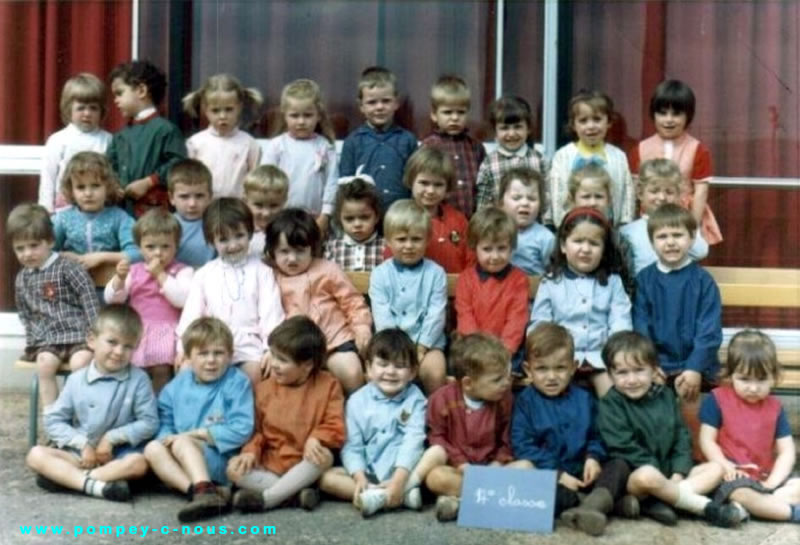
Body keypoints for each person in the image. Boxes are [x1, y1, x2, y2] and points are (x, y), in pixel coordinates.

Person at [597, 331, 741, 528]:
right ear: (610, 375)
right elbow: (623, 447)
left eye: (639, 370)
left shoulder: (665, 396)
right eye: (622, 373)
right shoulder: (610, 405)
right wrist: (661, 474)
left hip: (670, 475)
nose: (631, 379)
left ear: (654, 370)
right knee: (647, 475)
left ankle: (666, 500)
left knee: (716, 468)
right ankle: (705, 508)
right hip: (636, 477)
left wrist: (679, 472)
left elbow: (681, 436)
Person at [26, 304, 158, 502]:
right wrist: (82, 444)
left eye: (128, 346)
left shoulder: (139, 380)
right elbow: (54, 421)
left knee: (139, 463)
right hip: (81, 454)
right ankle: (98, 486)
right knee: (35, 455)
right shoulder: (76, 380)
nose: (119, 351)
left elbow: (149, 422)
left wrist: (112, 438)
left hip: (117, 456)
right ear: (92, 340)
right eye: (112, 342)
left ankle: (71, 480)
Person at [512, 323, 629, 536]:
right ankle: (606, 504)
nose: (551, 377)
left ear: (573, 368)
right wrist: (557, 474)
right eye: (542, 369)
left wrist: (593, 457)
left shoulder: (584, 398)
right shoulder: (525, 403)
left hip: (585, 472)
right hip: (553, 477)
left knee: (619, 465)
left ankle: (593, 506)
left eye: (560, 368)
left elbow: (597, 434)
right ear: (528, 370)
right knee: (548, 492)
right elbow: (523, 446)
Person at [227, 316, 345, 513]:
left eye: (282, 360)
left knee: (325, 457)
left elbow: (335, 424)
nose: (274, 364)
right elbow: (256, 431)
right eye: (273, 355)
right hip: (272, 461)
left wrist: (317, 437)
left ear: (307, 365)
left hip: (306, 461)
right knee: (233, 469)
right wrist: (249, 452)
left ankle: (267, 499)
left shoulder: (328, 385)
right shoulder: (264, 389)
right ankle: (295, 494)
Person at [144, 317, 254, 523]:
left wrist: (199, 434)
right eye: (202, 354)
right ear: (188, 358)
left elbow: (243, 427)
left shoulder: (237, 382)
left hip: (219, 457)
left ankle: (204, 488)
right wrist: (167, 438)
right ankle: (201, 493)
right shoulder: (178, 384)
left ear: (230, 356)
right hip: (180, 454)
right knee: (152, 448)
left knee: (183, 442)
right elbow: (164, 418)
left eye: (218, 353)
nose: (211, 360)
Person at [633, 203, 721, 457]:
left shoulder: (703, 282)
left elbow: (709, 331)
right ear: (651, 242)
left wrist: (694, 368)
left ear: (692, 238)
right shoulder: (645, 280)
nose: (670, 242)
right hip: (657, 366)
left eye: (677, 235)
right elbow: (641, 326)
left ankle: (693, 464)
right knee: (651, 409)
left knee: (691, 410)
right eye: (662, 236)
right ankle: (657, 462)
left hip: (695, 366)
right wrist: (649, 365)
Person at [320, 329, 440, 516]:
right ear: (368, 368)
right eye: (382, 365)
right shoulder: (357, 401)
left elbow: (413, 441)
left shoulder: (416, 399)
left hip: (405, 471)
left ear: (413, 372)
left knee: (436, 454)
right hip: (370, 473)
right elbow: (352, 445)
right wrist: (359, 476)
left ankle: (388, 494)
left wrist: (399, 480)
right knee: (326, 478)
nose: (390, 372)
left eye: (400, 366)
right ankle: (398, 496)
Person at [424, 333, 532, 522]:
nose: (506, 383)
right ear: (468, 383)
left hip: (492, 469)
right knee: (435, 477)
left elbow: (507, 439)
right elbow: (437, 437)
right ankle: (491, 499)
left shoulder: (505, 400)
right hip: (459, 470)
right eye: (497, 379)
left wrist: (497, 463)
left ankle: (463, 501)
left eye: (507, 375)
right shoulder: (441, 399)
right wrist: (460, 463)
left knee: (526, 467)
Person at [176, 198, 285, 385]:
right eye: (223, 239)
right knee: (186, 373)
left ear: (250, 234)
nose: (233, 245)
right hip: (210, 345)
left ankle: (244, 414)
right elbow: (191, 315)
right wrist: (183, 348)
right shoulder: (204, 274)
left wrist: (270, 348)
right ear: (211, 241)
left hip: (248, 345)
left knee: (254, 375)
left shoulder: (262, 272)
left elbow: (271, 313)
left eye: (239, 236)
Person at [529, 207, 631, 396]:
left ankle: (610, 425)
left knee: (612, 395)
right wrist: (549, 351)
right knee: (556, 393)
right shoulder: (551, 282)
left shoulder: (613, 282)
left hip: (600, 359)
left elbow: (620, 322)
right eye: (578, 241)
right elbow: (540, 324)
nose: (585, 249)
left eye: (594, 243)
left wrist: (616, 355)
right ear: (563, 245)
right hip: (560, 360)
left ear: (604, 250)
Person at [699, 330, 800, 523]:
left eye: (761, 379)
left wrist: (773, 482)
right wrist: (725, 466)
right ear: (730, 375)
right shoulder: (718, 399)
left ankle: (756, 508)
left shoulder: (775, 407)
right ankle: (790, 513)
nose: (753, 388)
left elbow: (787, 451)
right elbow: (707, 440)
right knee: (740, 493)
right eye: (745, 379)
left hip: (765, 477)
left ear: (773, 376)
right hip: (732, 476)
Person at [265, 208, 370, 394]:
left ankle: (354, 416)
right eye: (284, 251)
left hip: (334, 342)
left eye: (299, 251)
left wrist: (362, 327)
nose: (292, 259)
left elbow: (352, 301)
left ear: (312, 248)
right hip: (294, 350)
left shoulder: (327, 270)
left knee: (352, 372)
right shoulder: (270, 277)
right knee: (280, 378)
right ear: (272, 252)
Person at [8, 203, 97, 405]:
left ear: (49, 241)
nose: (27, 253)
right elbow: (26, 314)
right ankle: (54, 418)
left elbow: (88, 297)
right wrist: (33, 342)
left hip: (78, 334)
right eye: (20, 248)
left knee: (81, 363)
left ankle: (81, 416)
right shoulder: (22, 278)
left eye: (33, 245)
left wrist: (95, 333)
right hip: (48, 339)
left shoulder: (66, 267)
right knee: (44, 364)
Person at [104, 209, 193, 393]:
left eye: (165, 246)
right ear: (140, 247)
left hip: (168, 330)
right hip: (138, 329)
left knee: (161, 369)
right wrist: (119, 279)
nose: (158, 253)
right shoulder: (135, 270)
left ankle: (159, 410)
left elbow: (182, 300)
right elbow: (112, 299)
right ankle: (136, 409)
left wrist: (160, 274)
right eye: (151, 247)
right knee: (134, 372)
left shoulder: (182, 271)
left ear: (176, 246)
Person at [629, 79, 722, 244]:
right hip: (649, 219)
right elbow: (635, 190)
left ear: (688, 116)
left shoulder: (698, 149)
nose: (669, 120)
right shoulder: (641, 149)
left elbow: (701, 192)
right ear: (653, 114)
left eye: (676, 114)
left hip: (684, 218)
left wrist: (691, 226)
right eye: (663, 113)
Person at [369, 200, 447, 394]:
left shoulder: (436, 273)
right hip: (391, 342)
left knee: (435, 372)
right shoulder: (380, 274)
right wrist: (398, 350)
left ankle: (432, 418)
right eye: (401, 239)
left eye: (416, 239)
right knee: (383, 369)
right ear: (388, 240)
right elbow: (382, 315)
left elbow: (436, 313)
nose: (409, 246)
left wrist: (421, 347)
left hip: (427, 343)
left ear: (428, 239)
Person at [107, 60, 186, 216]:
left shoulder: (165, 130)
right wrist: (114, 187)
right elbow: (109, 166)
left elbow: (178, 163)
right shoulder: (120, 136)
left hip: (155, 211)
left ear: (141, 90)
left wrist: (148, 182)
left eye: (120, 93)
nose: (115, 100)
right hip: (123, 213)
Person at [455, 206, 529, 372]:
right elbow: (465, 317)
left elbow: (517, 319)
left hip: (507, 350)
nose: (495, 257)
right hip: (471, 349)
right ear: (475, 248)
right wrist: (478, 351)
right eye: (487, 249)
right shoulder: (466, 279)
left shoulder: (519, 280)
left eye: (501, 248)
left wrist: (504, 352)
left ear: (511, 247)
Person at [261, 78, 338, 235]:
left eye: (308, 115)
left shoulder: (325, 147)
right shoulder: (277, 146)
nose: (301, 121)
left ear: (319, 116)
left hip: (315, 218)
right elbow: (265, 181)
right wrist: (269, 212)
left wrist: (325, 215)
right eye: (295, 116)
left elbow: (332, 183)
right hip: (281, 217)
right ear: (285, 115)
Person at [548, 90, 634, 227]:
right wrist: (563, 224)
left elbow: (627, 194)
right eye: (583, 121)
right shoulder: (563, 156)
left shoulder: (618, 156)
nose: (591, 126)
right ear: (573, 125)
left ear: (609, 122)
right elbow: (556, 194)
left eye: (597, 119)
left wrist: (624, 223)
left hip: (610, 227)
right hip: (574, 227)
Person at [339, 66, 418, 212]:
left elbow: (416, 181)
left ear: (396, 103)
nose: (380, 107)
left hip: (400, 215)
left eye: (386, 101)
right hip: (366, 216)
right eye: (372, 102)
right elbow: (345, 185)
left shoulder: (408, 140)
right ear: (361, 106)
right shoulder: (353, 142)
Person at [53, 152, 140, 273]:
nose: (88, 193)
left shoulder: (119, 218)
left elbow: (138, 253)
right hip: (70, 286)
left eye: (95, 186)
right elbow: (46, 251)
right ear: (71, 190)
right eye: (81, 187)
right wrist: (62, 257)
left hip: (109, 284)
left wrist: (101, 257)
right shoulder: (62, 219)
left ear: (108, 187)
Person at [620, 158, 708, 275]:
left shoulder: (683, 226)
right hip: (643, 291)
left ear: (678, 195)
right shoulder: (628, 232)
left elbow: (701, 251)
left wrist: (685, 227)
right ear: (640, 193)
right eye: (654, 191)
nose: (662, 197)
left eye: (669, 192)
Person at [40, 73, 111, 213]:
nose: (87, 113)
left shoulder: (107, 140)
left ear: (102, 111)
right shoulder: (59, 140)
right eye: (81, 108)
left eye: (93, 108)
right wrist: (46, 209)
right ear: (69, 109)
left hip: (99, 210)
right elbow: (48, 176)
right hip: (65, 210)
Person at [183, 73, 263, 197]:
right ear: (205, 110)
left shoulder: (249, 144)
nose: (222, 116)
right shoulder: (195, 143)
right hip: (205, 209)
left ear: (239, 107)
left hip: (237, 209)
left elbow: (255, 180)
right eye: (215, 110)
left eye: (229, 109)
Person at [396, 146, 471, 273]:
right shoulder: (399, 217)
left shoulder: (459, 220)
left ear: (447, 186)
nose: (430, 191)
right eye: (424, 183)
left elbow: (471, 259)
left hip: (455, 289)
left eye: (438, 185)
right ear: (411, 181)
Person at [421, 74, 486, 218]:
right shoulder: (428, 147)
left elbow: (483, 186)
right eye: (448, 112)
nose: (455, 118)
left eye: (461, 112)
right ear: (434, 115)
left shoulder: (475, 147)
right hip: (440, 222)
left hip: (472, 221)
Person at [475, 95, 546, 210]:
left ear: (528, 129)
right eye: (504, 128)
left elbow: (546, 196)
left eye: (518, 127)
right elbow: (483, 203)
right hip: (500, 225)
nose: (512, 134)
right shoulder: (489, 164)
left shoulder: (538, 160)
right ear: (495, 131)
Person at [499, 166, 555, 276]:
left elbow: (554, 272)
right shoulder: (493, 232)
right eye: (516, 198)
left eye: (531, 198)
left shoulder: (546, 238)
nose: (525, 203)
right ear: (501, 203)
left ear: (541, 204)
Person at [324, 177, 385, 272]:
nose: (357, 224)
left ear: (376, 216)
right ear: (340, 219)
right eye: (349, 219)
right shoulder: (332, 247)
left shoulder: (386, 246)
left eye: (364, 217)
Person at [168, 159, 216, 268]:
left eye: (199, 196)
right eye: (184, 197)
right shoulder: (164, 225)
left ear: (210, 196)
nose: (192, 204)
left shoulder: (217, 224)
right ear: (171, 198)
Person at [243, 164, 289, 257]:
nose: (266, 213)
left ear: (284, 201)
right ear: (245, 200)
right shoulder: (239, 230)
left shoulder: (288, 231)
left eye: (274, 206)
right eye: (258, 205)